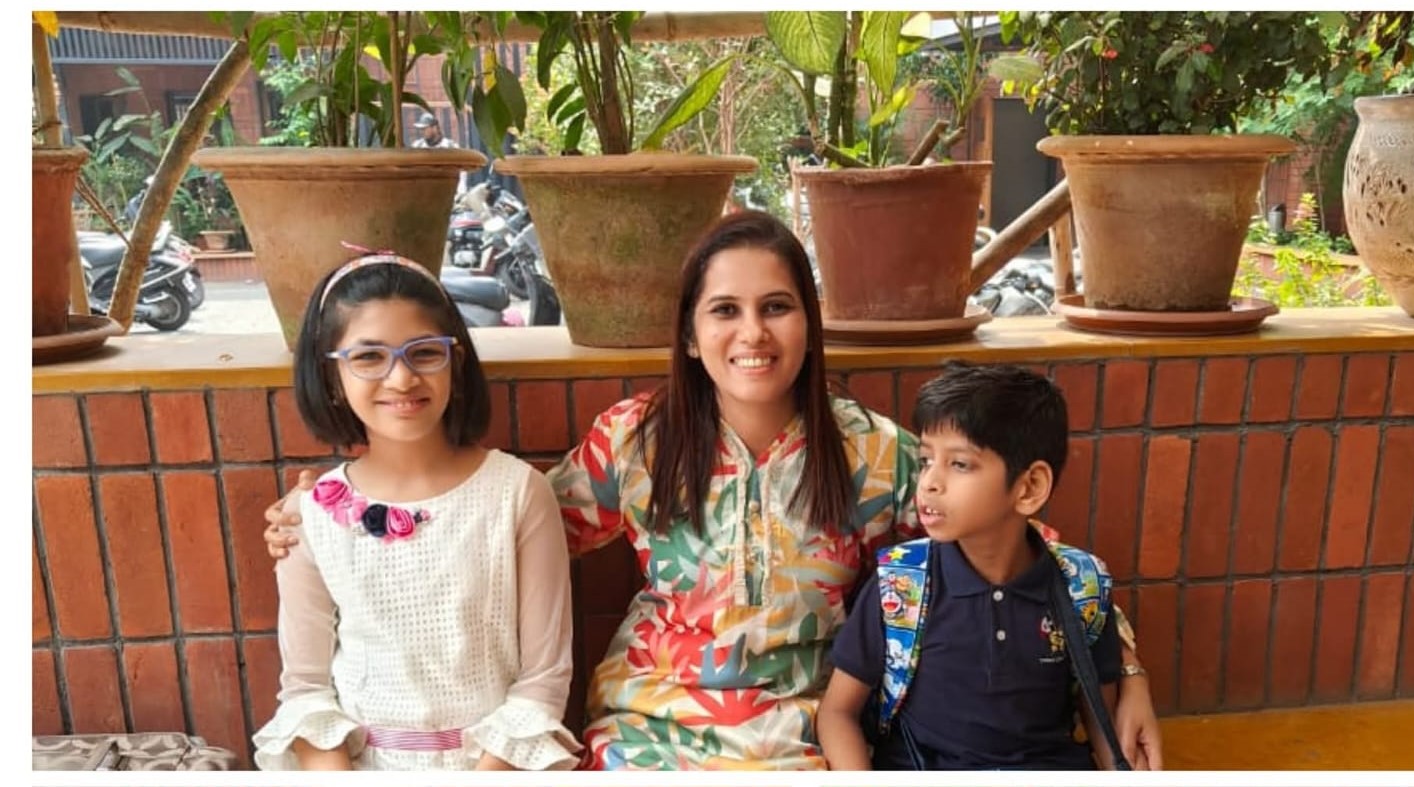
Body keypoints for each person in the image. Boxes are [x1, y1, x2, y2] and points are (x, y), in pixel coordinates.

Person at [263, 212, 1164, 770]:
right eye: (724, 310)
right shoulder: (637, 439)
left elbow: (1018, 550)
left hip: (804, 730)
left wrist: (1124, 671)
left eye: (776, 306)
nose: (752, 334)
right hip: (647, 726)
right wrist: (344, 508)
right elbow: (492, 523)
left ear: (808, 324)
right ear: (691, 335)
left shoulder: (872, 452)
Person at [251, 250, 581, 771]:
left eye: (424, 353)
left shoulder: (517, 494)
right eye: (368, 357)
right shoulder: (310, 516)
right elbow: (306, 691)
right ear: (332, 375)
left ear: (457, 361)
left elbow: (542, 683)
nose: (401, 379)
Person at [817, 362, 1123, 770]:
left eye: (959, 464)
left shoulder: (1083, 586)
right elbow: (837, 713)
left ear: (1029, 487)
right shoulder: (900, 585)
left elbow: (1102, 722)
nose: (929, 482)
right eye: (926, 460)